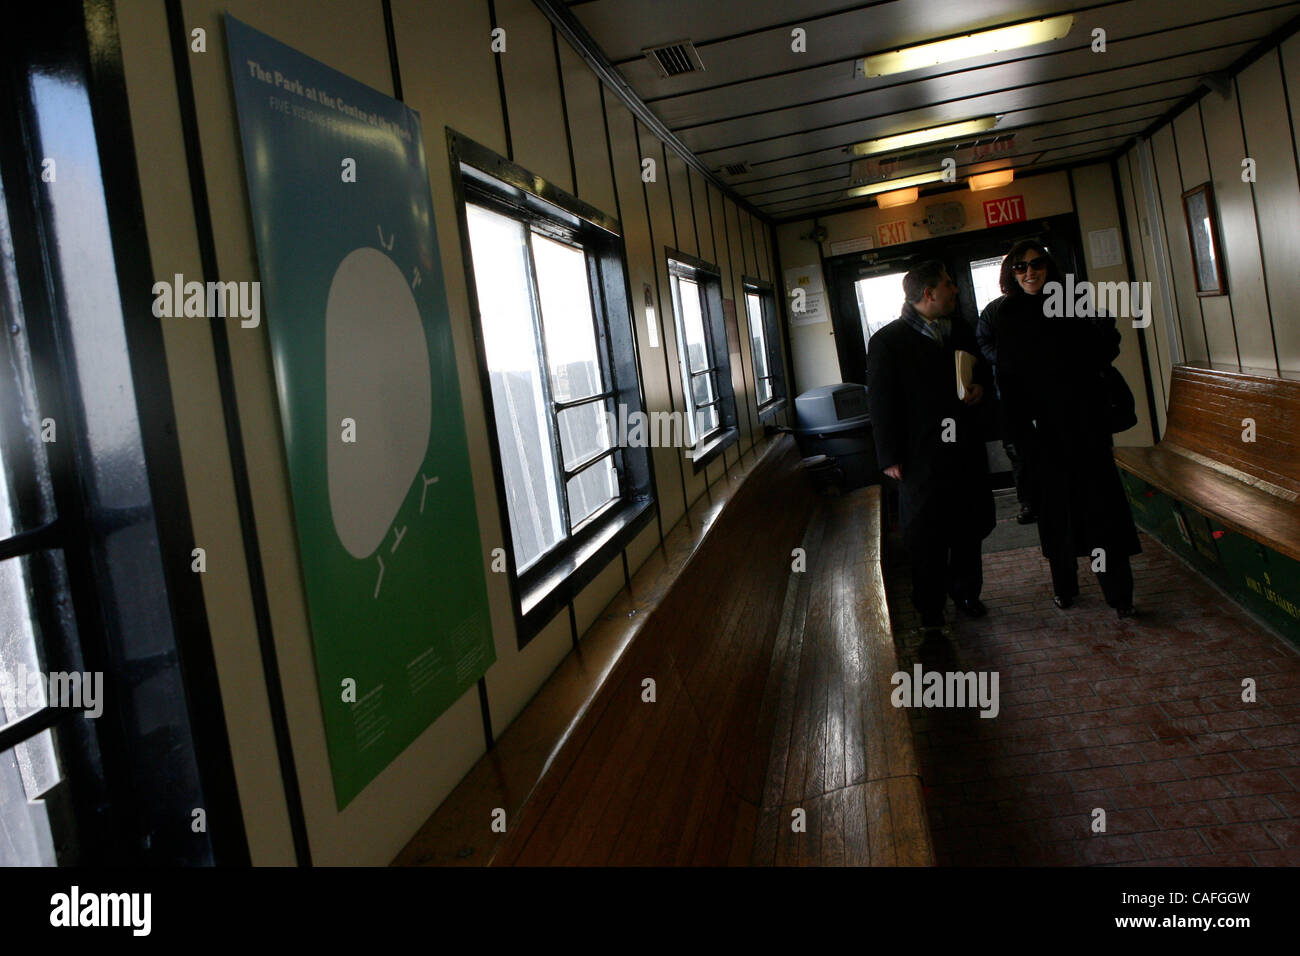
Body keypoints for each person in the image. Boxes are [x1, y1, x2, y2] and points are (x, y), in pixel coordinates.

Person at [984, 240, 1140, 617]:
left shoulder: (1074, 301)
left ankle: (1119, 595)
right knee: (1056, 513)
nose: (1030, 272)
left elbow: (1107, 347)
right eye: (1020, 267)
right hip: (1041, 432)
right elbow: (1002, 371)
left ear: (1049, 267)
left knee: (1101, 511)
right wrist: (1017, 433)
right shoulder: (1002, 313)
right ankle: (1065, 588)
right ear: (1011, 274)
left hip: (1085, 424)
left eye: (1036, 265)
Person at [866, 261, 995, 633]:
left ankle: (967, 593)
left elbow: (983, 371)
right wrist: (889, 457)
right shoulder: (888, 341)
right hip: (919, 453)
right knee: (926, 534)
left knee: (969, 525)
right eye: (948, 283)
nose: (954, 290)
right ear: (929, 294)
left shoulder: (961, 330)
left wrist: (981, 390)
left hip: (964, 448)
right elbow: (880, 403)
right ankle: (929, 608)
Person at [977, 295, 1035, 524]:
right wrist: (1007, 360)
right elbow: (982, 344)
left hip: (1050, 391)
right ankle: (1028, 502)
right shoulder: (995, 310)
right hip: (1009, 395)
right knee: (1017, 450)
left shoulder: (1051, 302)